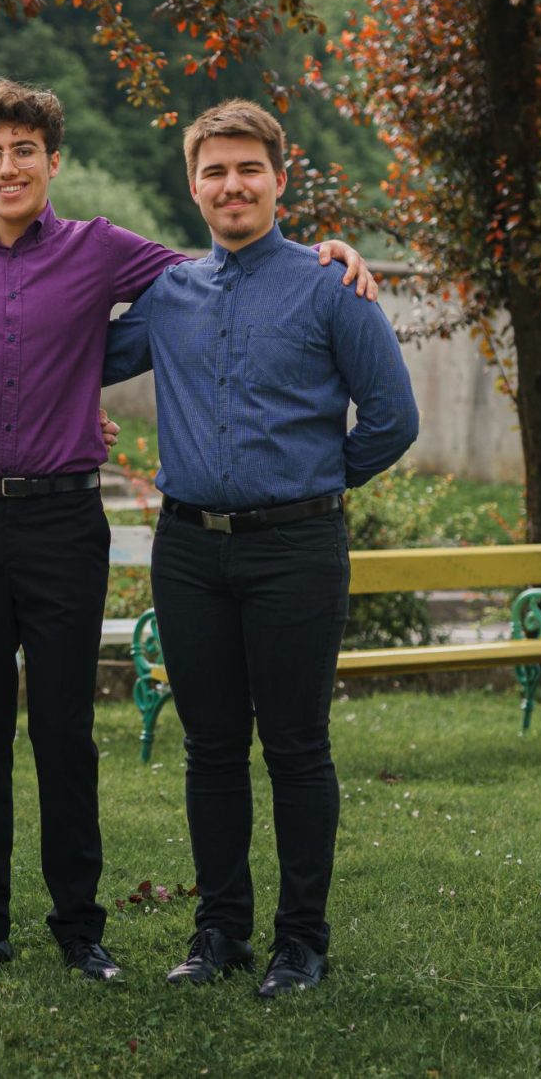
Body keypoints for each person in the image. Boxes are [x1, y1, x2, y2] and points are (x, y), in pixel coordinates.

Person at [0, 78, 376, 991]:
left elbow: (221, 271)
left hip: (64, 519)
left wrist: (326, 253)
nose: (9, 167)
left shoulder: (105, 249)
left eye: (25, 150)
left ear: (53, 161)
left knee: (67, 734)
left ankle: (81, 930)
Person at [102, 98, 417, 999]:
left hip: (297, 552)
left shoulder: (331, 286)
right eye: (215, 171)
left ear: (280, 179)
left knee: (296, 748)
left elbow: (393, 418)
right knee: (210, 749)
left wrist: (311, 480)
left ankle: (301, 942)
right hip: (189, 552)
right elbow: (74, 356)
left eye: (249, 169)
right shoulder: (169, 296)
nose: (231, 185)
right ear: (194, 186)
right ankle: (220, 933)